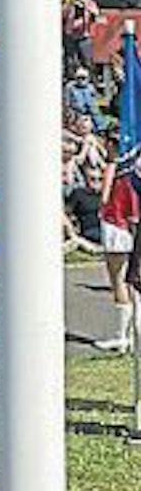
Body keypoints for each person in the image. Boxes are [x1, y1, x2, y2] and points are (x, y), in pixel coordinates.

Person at [95, 144, 137, 354]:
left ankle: (122, 336)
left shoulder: (116, 165)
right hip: (133, 221)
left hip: (115, 221)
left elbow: (104, 196)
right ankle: (132, 332)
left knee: (118, 280)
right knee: (134, 279)